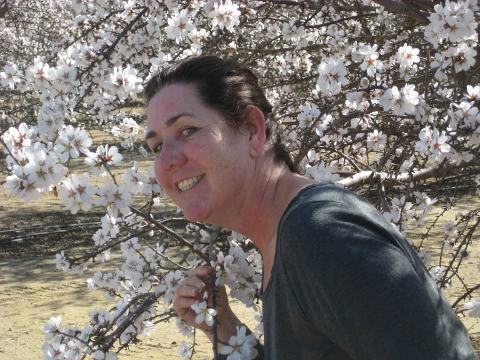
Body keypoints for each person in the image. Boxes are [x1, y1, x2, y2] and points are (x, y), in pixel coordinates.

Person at [144, 56, 479, 360]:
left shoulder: (321, 235)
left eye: (187, 130)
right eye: (157, 145)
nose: (167, 159)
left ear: (252, 131)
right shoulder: (285, 237)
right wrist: (225, 328)